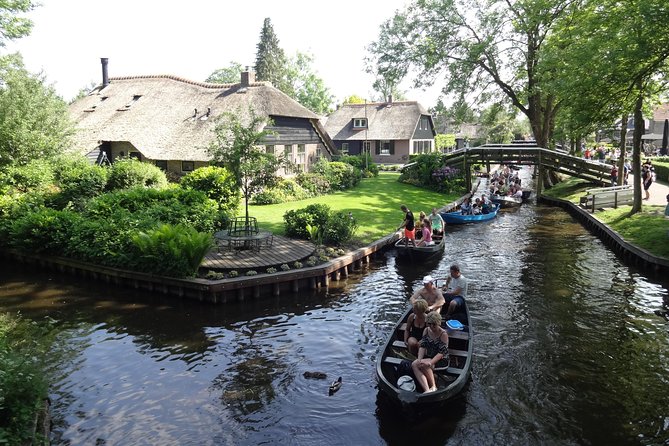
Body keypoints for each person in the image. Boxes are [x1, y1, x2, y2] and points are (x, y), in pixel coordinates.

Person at [411, 311, 449, 393]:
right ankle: (427, 390)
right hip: (429, 356)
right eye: (429, 324)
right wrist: (419, 358)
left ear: (438, 323)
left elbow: (441, 353)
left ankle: (433, 386)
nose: (431, 326)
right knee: (415, 364)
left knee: (425, 364)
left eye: (434, 324)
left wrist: (431, 362)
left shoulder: (443, 334)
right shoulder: (426, 330)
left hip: (441, 360)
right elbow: (423, 346)